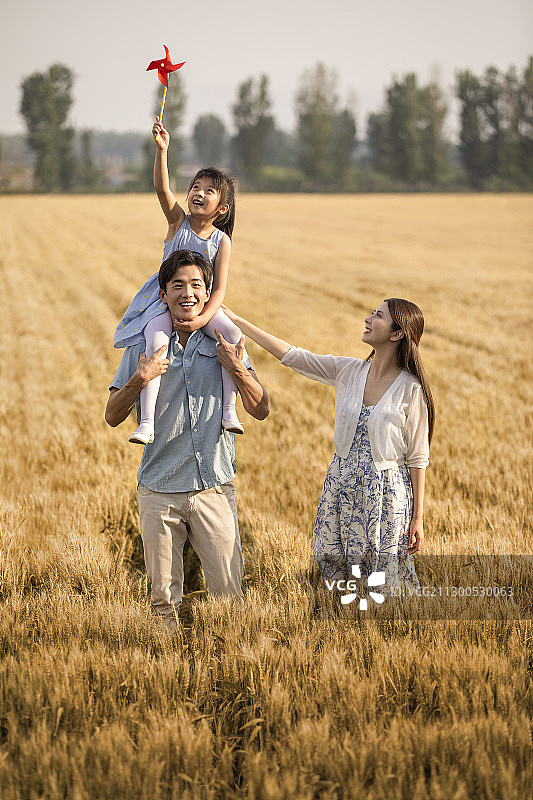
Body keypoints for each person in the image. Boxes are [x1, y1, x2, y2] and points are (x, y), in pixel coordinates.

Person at [223, 298, 434, 591]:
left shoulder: (411, 389)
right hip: (341, 485)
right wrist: (237, 321)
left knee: (378, 582)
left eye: (378, 316)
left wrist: (417, 518)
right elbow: (294, 356)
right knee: (335, 569)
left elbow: (418, 457)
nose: (368, 319)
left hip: (385, 497)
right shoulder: (349, 371)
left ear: (397, 333)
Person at [106, 250, 269, 629]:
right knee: (163, 602)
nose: (188, 293)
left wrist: (238, 370)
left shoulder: (224, 343)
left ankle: (228, 668)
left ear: (208, 292)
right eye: (177, 285)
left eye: (196, 284)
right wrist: (139, 379)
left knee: (229, 597)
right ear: (162, 295)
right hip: (159, 490)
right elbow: (113, 415)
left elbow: (261, 409)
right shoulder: (142, 348)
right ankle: (168, 673)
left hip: (213, 486)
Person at [114, 117, 244, 445]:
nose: (198, 193)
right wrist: (162, 150)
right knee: (155, 339)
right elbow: (161, 188)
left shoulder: (221, 241)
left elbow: (219, 290)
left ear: (222, 208)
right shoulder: (177, 223)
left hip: (202, 305)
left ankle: (229, 410)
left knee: (232, 334)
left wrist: (201, 318)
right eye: (195, 187)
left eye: (209, 191)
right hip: (165, 301)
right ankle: (146, 423)